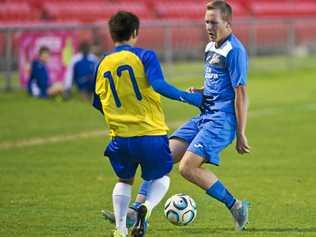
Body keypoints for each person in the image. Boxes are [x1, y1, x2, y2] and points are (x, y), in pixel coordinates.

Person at [103, 0, 251, 231]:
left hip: (221, 120)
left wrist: (241, 132)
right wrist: (201, 92)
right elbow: (216, 85)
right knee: (160, 158)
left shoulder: (235, 51)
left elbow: (240, 93)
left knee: (187, 167)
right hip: (204, 115)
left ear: (228, 24)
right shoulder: (210, 47)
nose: (209, 27)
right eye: (206, 22)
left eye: (214, 22)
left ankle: (235, 206)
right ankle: (134, 211)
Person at [92, 11, 203, 237]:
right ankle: (147, 207)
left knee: (124, 180)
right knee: (160, 176)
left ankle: (121, 229)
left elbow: (98, 102)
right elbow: (159, 85)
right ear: (135, 33)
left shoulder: (102, 63)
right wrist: (190, 98)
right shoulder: (145, 56)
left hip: (120, 137)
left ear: (112, 34)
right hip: (150, 133)